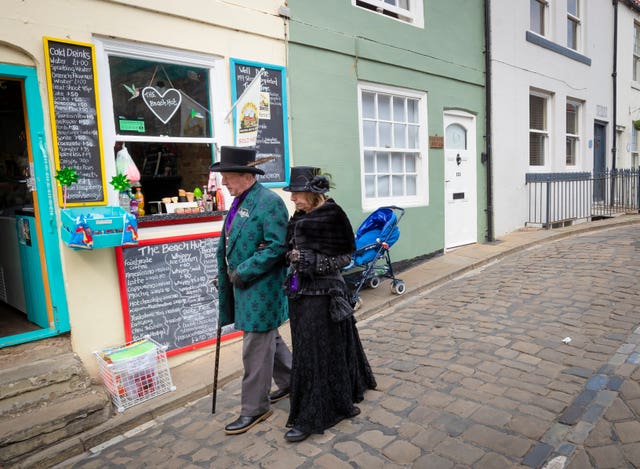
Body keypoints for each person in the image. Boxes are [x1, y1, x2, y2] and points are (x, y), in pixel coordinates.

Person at [282, 166, 377, 443]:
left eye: (298, 194)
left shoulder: (334, 215)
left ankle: (314, 415)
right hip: (300, 294)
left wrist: (317, 263)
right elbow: (289, 247)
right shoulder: (299, 215)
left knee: (318, 352)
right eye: (293, 194)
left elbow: (347, 256)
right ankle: (330, 399)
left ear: (313, 194)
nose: (294, 199)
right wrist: (291, 256)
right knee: (305, 351)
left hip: (325, 295)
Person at [211, 146, 292, 435]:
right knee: (268, 338)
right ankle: (293, 380)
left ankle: (255, 408)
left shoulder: (269, 202)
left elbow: (277, 246)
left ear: (245, 176)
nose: (223, 184)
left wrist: (242, 271)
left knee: (255, 349)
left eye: (227, 178)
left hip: (262, 288)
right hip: (245, 287)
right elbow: (234, 239)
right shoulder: (241, 199)